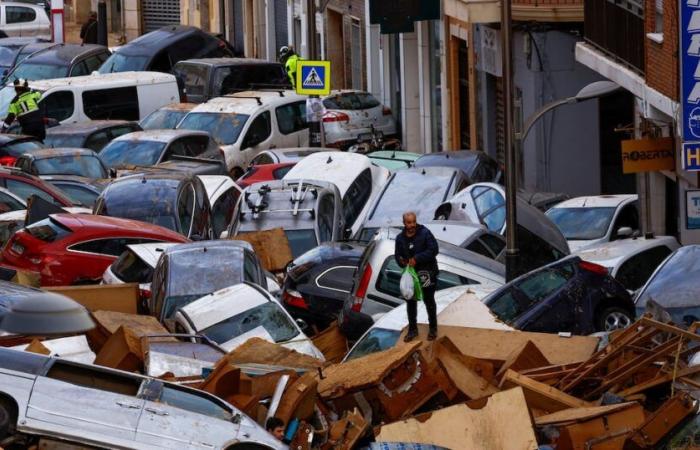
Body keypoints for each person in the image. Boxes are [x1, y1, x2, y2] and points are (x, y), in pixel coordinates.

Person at [394, 211, 439, 342]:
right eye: (409, 223)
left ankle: (433, 328)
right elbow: (397, 255)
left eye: (414, 222)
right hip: (411, 276)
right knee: (410, 302)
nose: (412, 225)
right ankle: (413, 330)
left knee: (429, 301)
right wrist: (401, 261)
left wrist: (417, 258)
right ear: (404, 223)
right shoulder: (400, 238)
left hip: (427, 273)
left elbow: (434, 250)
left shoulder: (425, 233)